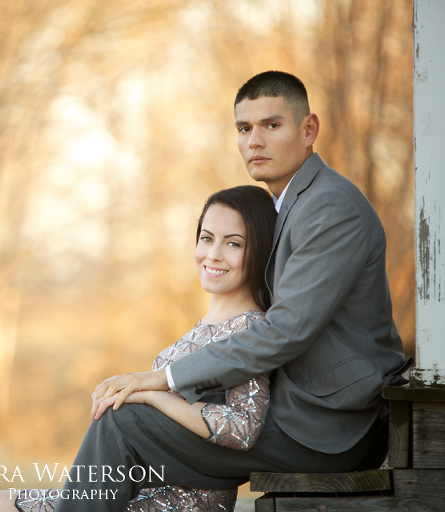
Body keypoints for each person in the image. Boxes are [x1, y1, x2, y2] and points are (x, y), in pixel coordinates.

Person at [46, 71, 410, 512]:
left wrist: (161, 379)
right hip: (301, 416)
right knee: (127, 437)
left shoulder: (329, 206)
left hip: (329, 429)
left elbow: (287, 329)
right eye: (244, 128)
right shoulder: (292, 204)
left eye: (271, 125)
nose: (254, 141)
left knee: (121, 425)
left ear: (308, 129)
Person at [0, 185, 278, 512]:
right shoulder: (200, 328)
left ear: (258, 251)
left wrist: (154, 396)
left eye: (233, 243)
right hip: (138, 487)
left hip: (181, 501)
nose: (213, 253)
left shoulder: (252, 330)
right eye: (206, 238)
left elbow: (243, 427)